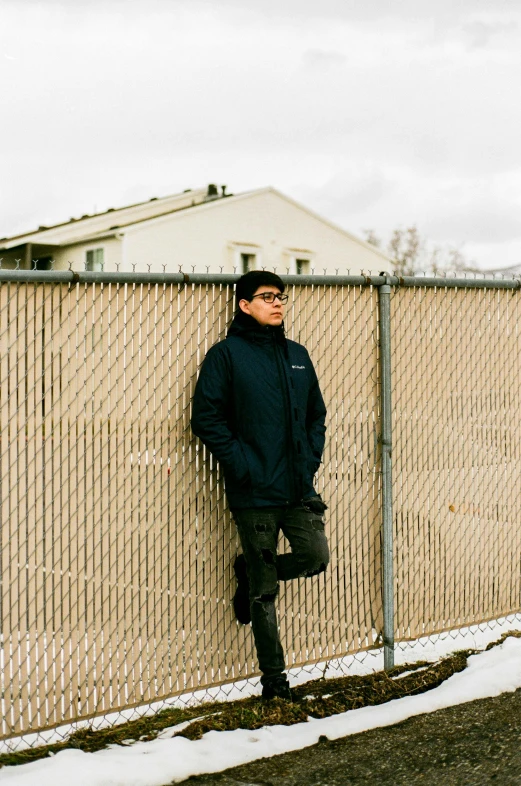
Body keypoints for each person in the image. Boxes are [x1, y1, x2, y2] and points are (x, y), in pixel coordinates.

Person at [191, 270, 329, 701]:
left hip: (297, 490)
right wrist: (243, 465)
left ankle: (249, 573)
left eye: (281, 296)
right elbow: (205, 418)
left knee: (316, 557)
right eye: (267, 297)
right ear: (244, 305)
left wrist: (308, 462)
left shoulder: (298, 355)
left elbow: (315, 416)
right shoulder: (226, 356)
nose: (277, 303)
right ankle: (275, 681)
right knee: (265, 593)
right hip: (255, 495)